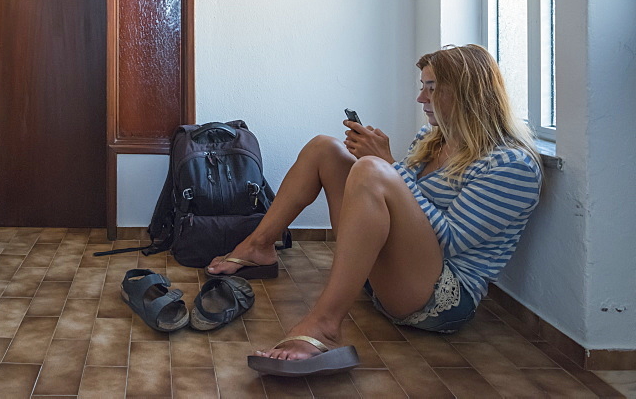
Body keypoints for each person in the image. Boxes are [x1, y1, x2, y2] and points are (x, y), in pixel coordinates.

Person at [207, 44, 542, 376]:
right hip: (388, 276)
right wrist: (388, 167)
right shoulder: (433, 138)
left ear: (467, 93)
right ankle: (258, 246)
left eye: (432, 88)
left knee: (371, 170)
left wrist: (387, 165)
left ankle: (324, 325)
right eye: (422, 86)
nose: (421, 98)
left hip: (438, 299)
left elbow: (450, 243)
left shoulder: (511, 164)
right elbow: (405, 203)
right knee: (325, 148)